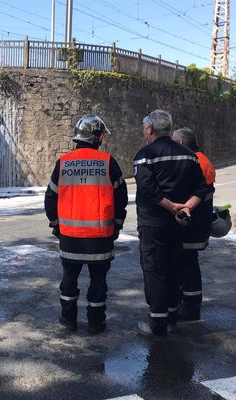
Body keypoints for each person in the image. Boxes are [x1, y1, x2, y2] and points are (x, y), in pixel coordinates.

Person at [45, 114, 128, 334]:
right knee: (98, 280)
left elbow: (50, 197)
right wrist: (117, 225)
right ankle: (95, 322)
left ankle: (68, 319)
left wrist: (55, 224)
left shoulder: (63, 163)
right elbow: (121, 197)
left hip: (70, 236)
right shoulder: (108, 162)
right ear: (97, 137)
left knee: (69, 278)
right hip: (100, 237)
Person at [133, 110, 209, 336]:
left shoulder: (145, 154)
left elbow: (147, 190)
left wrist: (171, 206)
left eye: (144, 128)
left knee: (155, 271)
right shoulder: (189, 154)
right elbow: (202, 188)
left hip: (153, 224)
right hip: (181, 224)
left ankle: (157, 324)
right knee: (175, 268)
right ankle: (173, 316)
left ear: (149, 129)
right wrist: (186, 207)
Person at [172, 127, 215, 321]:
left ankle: (190, 307)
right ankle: (189, 303)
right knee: (188, 264)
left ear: (181, 143)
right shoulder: (202, 159)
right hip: (199, 224)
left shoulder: (194, 161)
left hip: (191, 226)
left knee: (187, 266)